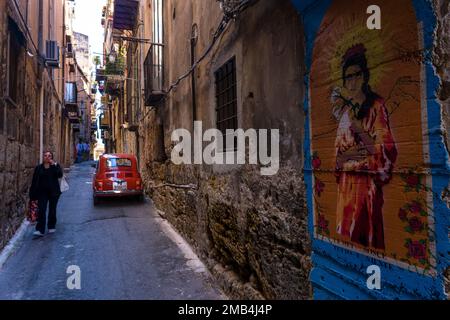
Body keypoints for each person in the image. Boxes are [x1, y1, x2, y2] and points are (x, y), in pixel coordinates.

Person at [331, 44, 397, 250]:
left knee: (367, 240)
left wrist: (359, 128)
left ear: (365, 77)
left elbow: (383, 152)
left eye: (356, 75)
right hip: (346, 192)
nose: (352, 82)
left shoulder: (376, 108)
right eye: (347, 77)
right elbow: (338, 159)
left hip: (366, 191)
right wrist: (347, 156)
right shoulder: (344, 115)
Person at [29, 151, 64, 237]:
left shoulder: (55, 166)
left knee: (52, 210)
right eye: (45, 155)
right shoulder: (38, 168)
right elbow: (34, 181)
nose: (47, 157)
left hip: (54, 192)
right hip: (42, 193)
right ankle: (40, 229)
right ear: (43, 157)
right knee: (42, 210)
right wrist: (32, 193)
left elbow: (60, 175)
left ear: (52, 157)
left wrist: (55, 165)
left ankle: (51, 226)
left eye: (49, 156)